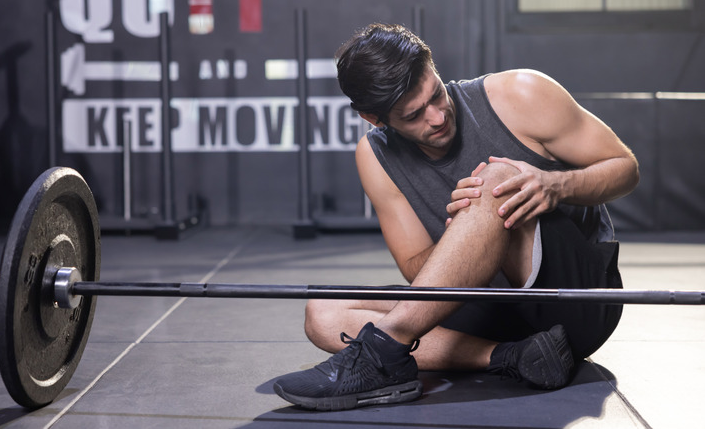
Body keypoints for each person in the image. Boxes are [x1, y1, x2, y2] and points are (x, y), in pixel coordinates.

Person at [273, 23, 639, 411]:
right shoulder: (374, 157)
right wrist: (465, 233)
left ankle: (385, 351)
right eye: (413, 115)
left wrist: (553, 186)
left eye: (436, 94)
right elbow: (417, 270)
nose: (435, 117)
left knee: (496, 179)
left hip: (576, 302)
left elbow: (626, 168)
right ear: (374, 119)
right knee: (324, 313)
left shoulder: (520, 93)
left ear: (435, 68)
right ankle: (513, 356)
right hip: (489, 310)